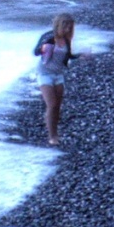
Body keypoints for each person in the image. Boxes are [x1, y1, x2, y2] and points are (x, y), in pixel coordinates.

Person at [33, 12, 77, 145]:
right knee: (51, 105)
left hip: (58, 74)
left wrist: (81, 55)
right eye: (66, 26)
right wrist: (42, 49)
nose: (68, 29)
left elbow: (68, 56)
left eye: (70, 27)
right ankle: (52, 137)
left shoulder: (67, 40)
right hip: (44, 73)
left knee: (57, 106)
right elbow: (35, 52)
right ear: (59, 25)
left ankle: (55, 133)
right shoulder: (48, 37)